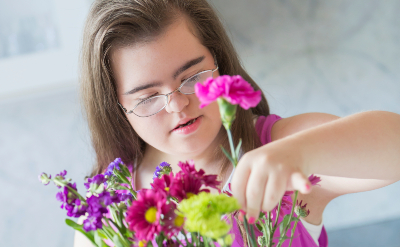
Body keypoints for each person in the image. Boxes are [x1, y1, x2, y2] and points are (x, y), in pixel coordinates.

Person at [75, 0, 400, 246]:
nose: (177, 104)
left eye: (192, 76)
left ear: (219, 62)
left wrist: (297, 154)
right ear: (117, 107)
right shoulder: (110, 205)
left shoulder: (277, 148)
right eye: (147, 97)